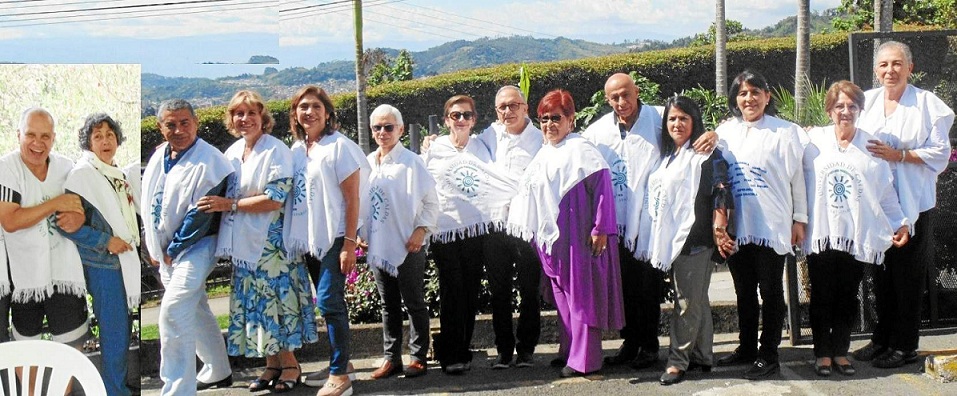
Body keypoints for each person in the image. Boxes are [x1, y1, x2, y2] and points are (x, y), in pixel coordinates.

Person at [583, 73, 717, 370]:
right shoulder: (597, 131)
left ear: (637, 92)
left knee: (648, 288)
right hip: (615, 225)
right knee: (624, 288)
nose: (621, 102)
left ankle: (649, 345)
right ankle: (630, 343)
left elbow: (693, 128)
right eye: (614, 98)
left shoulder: (659, 117)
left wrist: (714, 135)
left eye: (625, 95)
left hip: (651, 223)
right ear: (607, 100)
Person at [200, 90, 318, 392]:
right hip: (244, 246)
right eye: (239, 113)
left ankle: (291, 364)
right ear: (231, 119)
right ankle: (271, 365)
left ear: (262, 117)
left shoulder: (275, 150)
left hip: (272, 246)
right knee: (256, 305)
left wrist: (231, 205)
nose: (245, 119)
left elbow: (276, 199)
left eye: (251, 113)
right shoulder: (232, 153)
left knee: (277, 304)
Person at [507, 89, 624, 378]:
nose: (549, 125)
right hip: (552, 241)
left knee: (581, 296)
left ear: (571, 119)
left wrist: (601, 229)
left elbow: (603, 192)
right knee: (563, 298)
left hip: (579, 237)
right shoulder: (546, 151)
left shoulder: (582, 151)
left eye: (556, 118)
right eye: (544, 119)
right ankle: (569, 350)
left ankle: (586, 359)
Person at [853, 41, 955, 369]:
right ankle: (881, 338)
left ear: (910, 68)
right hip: (877, 206)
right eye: (883, 65)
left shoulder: (928, 105)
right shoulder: (864, 102)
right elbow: (842, 134)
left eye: (897, 64)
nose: (890, 71)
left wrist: (900, 155)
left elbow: (940, 153)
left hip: (914, 205)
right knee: (879, 277)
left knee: (908, 278)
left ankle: (905, 345)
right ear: (875, 70)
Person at [803, 80, 911, 377]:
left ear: (860, 109)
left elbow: (885, 191)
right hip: (821, 233)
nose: (845, 111)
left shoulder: (871, 145)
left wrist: (899, 222)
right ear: (829, 110)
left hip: (855, 235)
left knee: (847, 296)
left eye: (852, 106)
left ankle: (840, 351)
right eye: (839, 106)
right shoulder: (812, 142)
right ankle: (822, 353)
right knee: (822, 294)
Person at [714, 70, 808, 380]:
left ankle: (769, 354)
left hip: (773, 225)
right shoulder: (725, 132)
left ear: (768, 97)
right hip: (739, 226)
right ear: (735, 100)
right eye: (742, 93)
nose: (749, 98)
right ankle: (746, 348)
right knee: (744, 291)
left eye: (756, 92)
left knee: (770, 291)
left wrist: (799, 219)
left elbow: (798, 179)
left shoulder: (787, 132)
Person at [142, 99, 234, 394]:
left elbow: (200, 215)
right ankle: (219, 369)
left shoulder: (212, 160)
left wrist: (171, 249)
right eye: (171, 124)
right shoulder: (161, 156)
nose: (179, 130)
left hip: (198, 245)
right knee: (196, 308)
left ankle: (177, 388)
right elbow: (151, 203)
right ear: (160, 127)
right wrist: (155, 246)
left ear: (196, 123)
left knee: (172, 310)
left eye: (185, 123)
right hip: (168, 248)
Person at [421, 94, 518, 374]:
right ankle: (452, 354)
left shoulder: (483, 147)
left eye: (466, 115)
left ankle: (462, 348)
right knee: (452, 290)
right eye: (455, 115)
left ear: (474, 120)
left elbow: (496, 176)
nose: (461, 119)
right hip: (445, 230)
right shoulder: (434, 149)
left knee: (471, 291)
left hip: (476, 230)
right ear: (446, 120)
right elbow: (422, 183)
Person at [284, 85, 368, 396]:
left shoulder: (339, 147)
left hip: (334, 237)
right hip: (310, 240)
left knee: (331, 301)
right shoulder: (295, 151)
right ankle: (342, 365)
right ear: (295, 114)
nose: (309, 112)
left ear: (327, 112)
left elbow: (352, 198)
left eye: (315, 106)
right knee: (328, 304)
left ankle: (340, 376)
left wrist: (348, 243)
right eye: (303, 107)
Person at [644, 96, 733, 385]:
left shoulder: (706, 154)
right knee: (696, 300)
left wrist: (720, 229)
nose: (677, 123)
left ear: (695, 121)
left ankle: (677, 362)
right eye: (672, 118)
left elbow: (721, 190)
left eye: (683, 118)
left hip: (695, 240)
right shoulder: (670, 156)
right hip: (673, 241)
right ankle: (702, 355)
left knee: (685, 303)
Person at [59, 113, 140, 396]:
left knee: (122, 331)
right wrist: (106, 240)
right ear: (88, 142)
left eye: (109, 134)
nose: (105, 140)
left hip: (125, 261)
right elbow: (64, 225)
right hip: (103, 265)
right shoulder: (82, 176)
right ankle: (115, 392)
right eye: (97, 136)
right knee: (114, 333)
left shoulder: (117, 174)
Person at [362, 104, 439, 380]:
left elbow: (431, 203)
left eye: (388, 127)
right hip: (378, 247)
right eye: (377, 127)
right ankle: (391, 358)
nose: (383, 132)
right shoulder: (368, 163)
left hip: (409, 245)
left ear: (401, 129)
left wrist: (421, 231)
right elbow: (361, 204)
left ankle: (418, 357)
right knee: (388, 305)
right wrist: (362, 231)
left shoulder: (412, 162)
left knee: (414, 302)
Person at [0, 107, 88, 348]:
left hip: (64, 271)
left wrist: (76, 219)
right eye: (30, 135)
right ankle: (30, 389)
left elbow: (80, 211)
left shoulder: (66, 167)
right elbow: (10, 221)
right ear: (18, 135)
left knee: (73, 343)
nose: (38, 143)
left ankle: (63, 389)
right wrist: (55, 204)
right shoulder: (6, 167)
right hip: (24, 276)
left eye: (45, 136)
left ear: (54, 138)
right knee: (26, 347)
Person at [474, 86, 544, 369]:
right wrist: (431, 143)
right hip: (495, 226)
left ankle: (527, 349)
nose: (508, 111)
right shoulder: (488, 136)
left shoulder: (540, 138)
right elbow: (460, 149)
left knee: (530, 290)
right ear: (496, 111)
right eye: (502, 107)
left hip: (526, 225)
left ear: (526, 107)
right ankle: (504, 350)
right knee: (499, 291)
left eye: (514, 105)